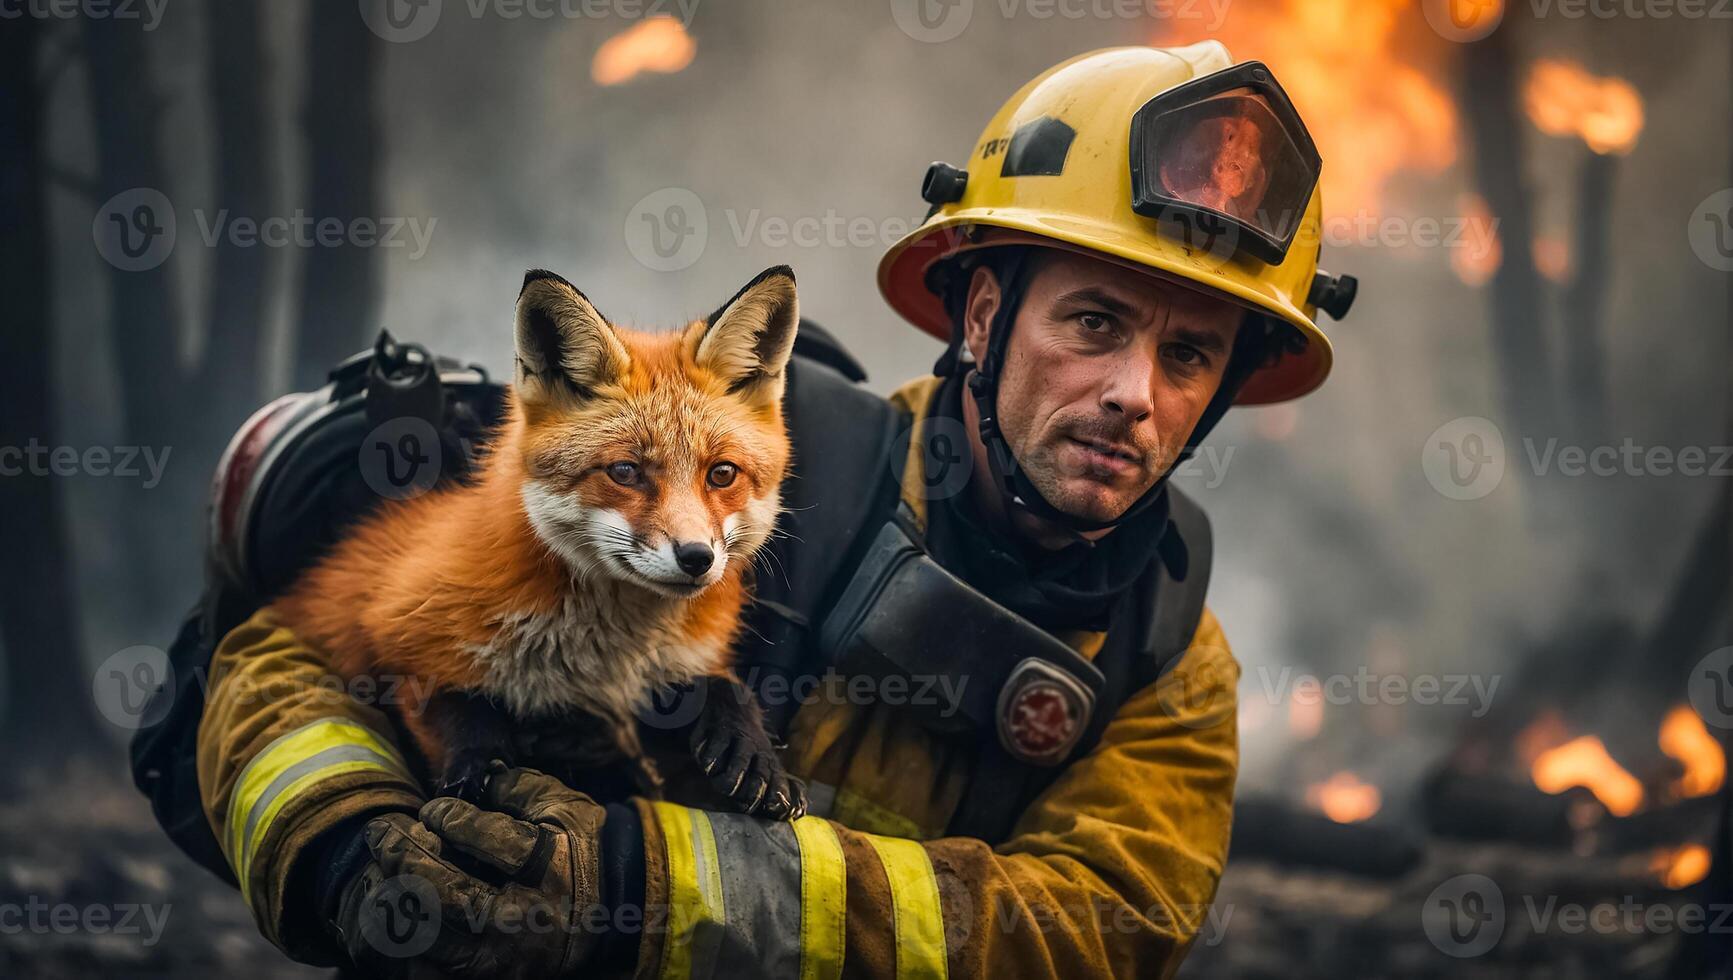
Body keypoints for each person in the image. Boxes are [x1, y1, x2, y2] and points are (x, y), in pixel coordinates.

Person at [188, 41, 1355, 978]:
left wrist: (642, 889)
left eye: (1190, 354)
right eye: (1093, 321)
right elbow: (280, 657)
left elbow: (1092, 927)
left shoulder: (1167, 654)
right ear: (984, 314)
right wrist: (343, 839)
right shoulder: (767, 464)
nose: (1131, 394)